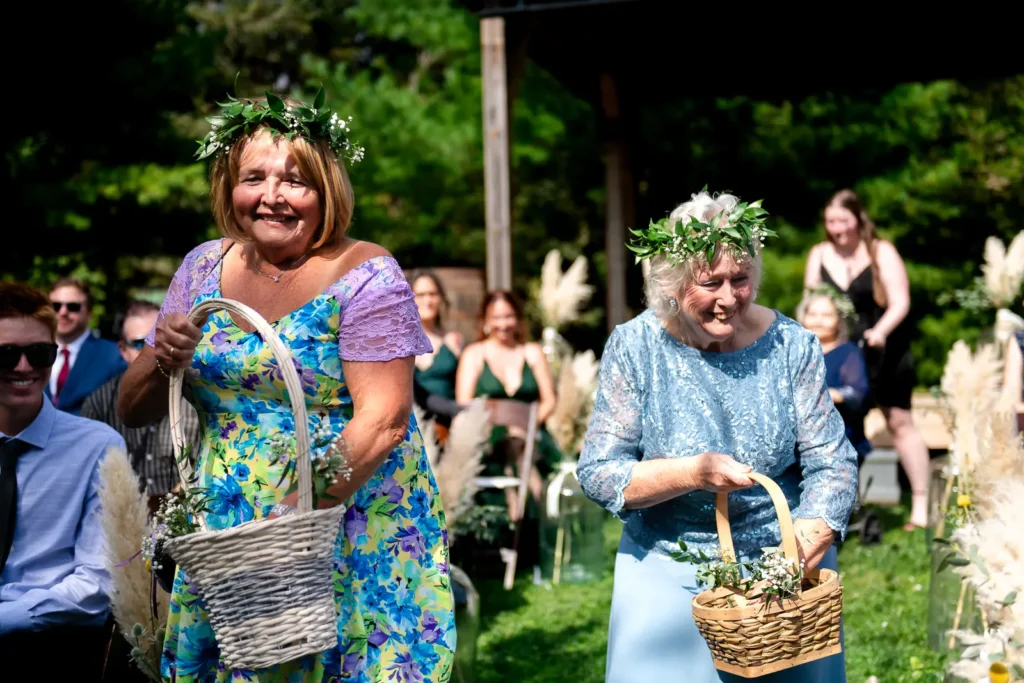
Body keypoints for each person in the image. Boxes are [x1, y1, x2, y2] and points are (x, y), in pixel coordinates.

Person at [116, 90, 455, 682]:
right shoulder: (201, 269)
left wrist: (292, 520)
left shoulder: (367, 273)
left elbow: (383, 421)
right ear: (229, 187)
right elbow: (133, 407)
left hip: (344, 517)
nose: (272, 196)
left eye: (295, 181)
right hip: (231, 529)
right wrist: (160, 357)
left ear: (327, 190)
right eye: (254, 178)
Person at [579, 190, 857, 683]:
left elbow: (831, 460)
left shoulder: (792, 346)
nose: (730, 298)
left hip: (780, 571)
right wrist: (692, 473)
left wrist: (812, 532)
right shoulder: (635, 346)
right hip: (666, 565)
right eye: (711, 283)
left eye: (741, 279)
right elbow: (601, 472)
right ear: (672, 284)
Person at [0, 282, 125, 677]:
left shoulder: (97, 446)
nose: (23, 367)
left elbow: (96, 584)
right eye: (6, 354)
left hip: (50, 645)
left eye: (39, 353)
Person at [804, 188, 929, 530]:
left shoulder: (880, 250)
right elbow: (811, 301)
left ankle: (920, 505)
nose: (837, 228)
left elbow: (900, 302)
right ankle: (839, 507)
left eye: (843, 220)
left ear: (858, 219)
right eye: (830, 221)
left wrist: (880, 332)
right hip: (839, 353)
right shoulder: (819, 254)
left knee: (900, 423)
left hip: (883, 349)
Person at [80, 299, 200, 512]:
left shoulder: (197, 393)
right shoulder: (101, 402)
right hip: (123, 522)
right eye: (140, 345)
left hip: (189, 517)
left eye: (157, 341)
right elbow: (85, 470)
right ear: (122, 349)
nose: (153, 352)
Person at [455, 290, 562, 521]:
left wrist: (528, 424)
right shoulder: (474, 355)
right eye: (496, 317)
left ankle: (525, 509)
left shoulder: (531, 352)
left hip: (533, 434)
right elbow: (464, 403)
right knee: (509, 442)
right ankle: (524, 500)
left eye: (508, 316)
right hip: (490, 437)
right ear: (485, 320)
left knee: (520, 441)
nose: (503, 324)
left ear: (518, 318)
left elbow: (549, 399)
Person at [796, 286, 872, 466]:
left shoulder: (848, 352)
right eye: (813, 314)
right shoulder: (796, 352)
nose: (819, 321)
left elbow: (857, 394)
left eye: (827, 315)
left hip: (838, 439)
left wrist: (822, 394)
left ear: (839, 320)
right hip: (798, 441)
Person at [45, 276, 126, 415]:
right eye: (56, 306)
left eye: (73, 307)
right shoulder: (28, 352)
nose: (63, 312)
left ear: (89, 312)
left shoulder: (113, 356)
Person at [408, 269, 465, 439]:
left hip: (449, 428)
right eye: (421, 294)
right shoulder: (399, 341)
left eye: (433, 294)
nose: (428, 300)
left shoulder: (453, 341)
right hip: (413, 428)